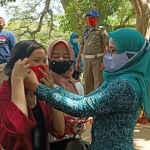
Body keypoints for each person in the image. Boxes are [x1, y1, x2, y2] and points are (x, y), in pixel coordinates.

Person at [23, 28, 150, 150]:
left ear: (131, 55)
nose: (108, 55)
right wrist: (52, 87)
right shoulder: (120, 80)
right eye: (108, 49)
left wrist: (38, 88)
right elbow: (84, 100)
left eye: (113, 50)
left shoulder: (124, 85)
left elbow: (81, 107)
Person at [0, 40, 66, 150]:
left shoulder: (40, 97)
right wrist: (18, 80)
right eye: (36, 60)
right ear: (19, 65)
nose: (43, 66)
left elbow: (60, 129)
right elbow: (18, 128)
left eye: (44, 61)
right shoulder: (4, 95)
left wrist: (51, 93)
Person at [48, 39, 86, 150]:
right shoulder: (41, 85)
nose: (60, 59)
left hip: (71, 144)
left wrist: (81, 126)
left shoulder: (78, 87)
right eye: (55, 56)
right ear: (49, 58)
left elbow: (81, 117)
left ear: (71, 58)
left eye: (65, 57)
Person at [75, 9, 109, 94]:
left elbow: (106, 47)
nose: (90, 19)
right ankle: (88, 104)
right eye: (89, 17)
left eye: (93, 17)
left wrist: (104, 61)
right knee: (88, 85)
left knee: (98, 85)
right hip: (86, 61)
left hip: (98, 60)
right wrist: (77, 61)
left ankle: (99, 104)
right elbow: (81, 47)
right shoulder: (85, 32)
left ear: (97, 19)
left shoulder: (101, 30)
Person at [0, 17, 17, 86]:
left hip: (4, 64)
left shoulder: (9, 34)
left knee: (2, 85)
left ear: (4, 24)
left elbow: (14, 49)